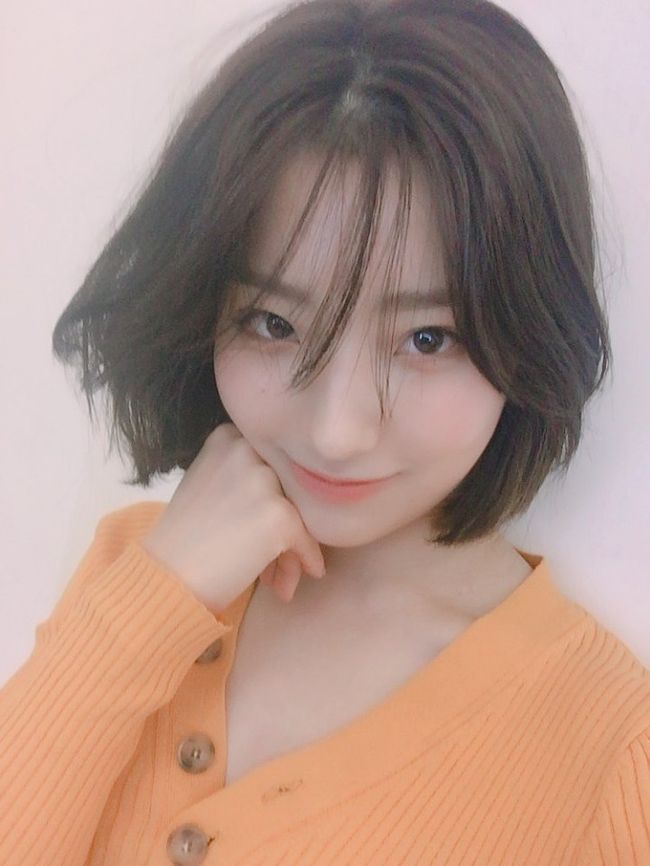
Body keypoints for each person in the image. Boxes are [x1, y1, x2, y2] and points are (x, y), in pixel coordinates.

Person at [1, 0, 648, 864]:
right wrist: (149, 606)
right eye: (274, 323)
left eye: (428, 339)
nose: (338, 431)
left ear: (528, 331)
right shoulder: (138, 572)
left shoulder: (607, 754)